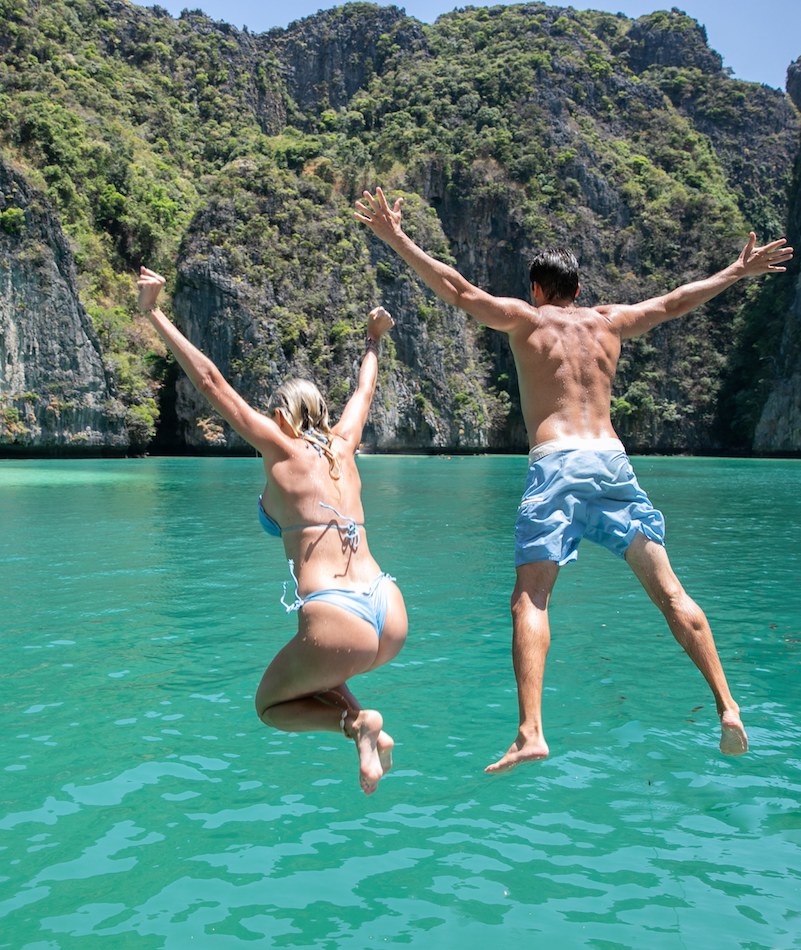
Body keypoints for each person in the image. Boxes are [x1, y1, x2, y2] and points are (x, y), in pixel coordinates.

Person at [354, 187, 794, 772]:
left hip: (556, 464)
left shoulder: (526, 319)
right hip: (613, 464)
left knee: (530, 599)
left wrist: (396, 237)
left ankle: (531, 730)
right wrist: (739, 270)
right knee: (671, 594)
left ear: (537, 289)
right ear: (580, 291)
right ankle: (728, 706)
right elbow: (676, 301)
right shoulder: (610, 323)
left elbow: (458, 289)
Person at [136, 266, 408, 795]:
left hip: (337, 616)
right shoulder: (344, 444)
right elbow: (364, 392)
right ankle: (362, 727)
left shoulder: (280, 447)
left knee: (271, 706)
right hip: (387, 608)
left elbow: (213, 384)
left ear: (283, 415)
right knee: (325, 666)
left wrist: (154, 314)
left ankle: (356, 726)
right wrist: (373, 341)